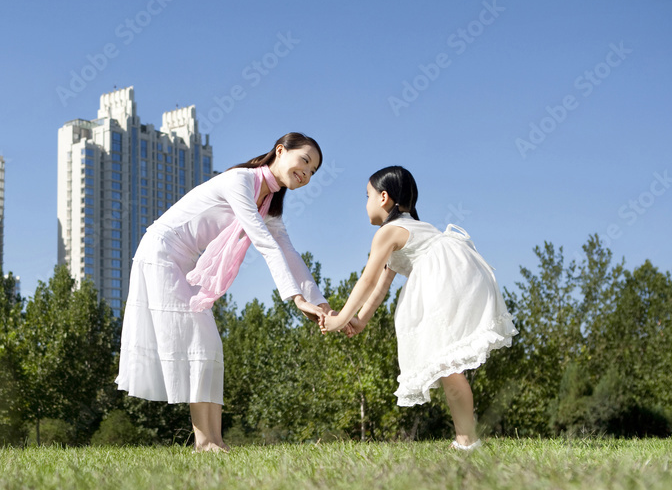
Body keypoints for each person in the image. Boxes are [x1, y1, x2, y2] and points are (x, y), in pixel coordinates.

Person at [116, 132, 331, 452]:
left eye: (313, 171)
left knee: (210, 347)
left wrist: (321, 303)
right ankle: (205, 443)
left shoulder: (269, 204)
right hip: (161, 253)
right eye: (304, 161)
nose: (306, 173)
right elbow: (264, 243)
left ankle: (212, 441)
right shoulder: (240, 181)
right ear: (280, 151)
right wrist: (297, 300)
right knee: (202, 343)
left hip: (184, 261)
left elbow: (288, 252)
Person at [318, 166, 517, 450]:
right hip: (463, 274)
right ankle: (465, 439)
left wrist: (340, 321)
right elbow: (381, 287)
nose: (366, 203)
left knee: (447, 363)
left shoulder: (388, 232)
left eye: (367, 195)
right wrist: (359, 321)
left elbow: (368, 279)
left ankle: (467, 440)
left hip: (445, 281)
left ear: (383, 197)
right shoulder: (416, 228)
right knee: (449, 364)